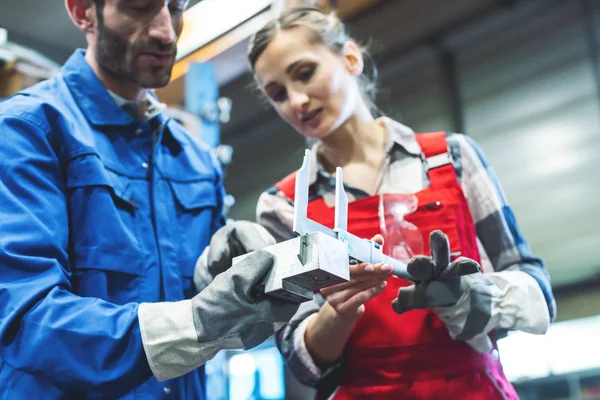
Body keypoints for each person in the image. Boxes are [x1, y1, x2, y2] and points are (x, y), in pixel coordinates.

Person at [248, 7, 557, 399]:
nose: (297, 100)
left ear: (350, 58)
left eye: (305, 73)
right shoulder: (284, 207)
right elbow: (301, 359)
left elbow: (536, 290)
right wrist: (338, 311)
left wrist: (474, 298)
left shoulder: (453, 158)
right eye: (277, 94)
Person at [0, 0, 301, 398]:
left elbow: (190, 299)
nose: (165, 31)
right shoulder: (26, 131)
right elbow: (25, 318)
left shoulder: (194, 160)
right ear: (81, 12)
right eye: (140, 6)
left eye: (175, 7)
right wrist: (198, 321)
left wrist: (219, 270)